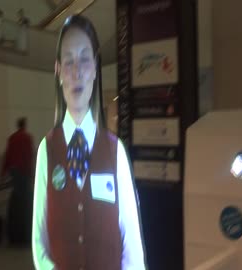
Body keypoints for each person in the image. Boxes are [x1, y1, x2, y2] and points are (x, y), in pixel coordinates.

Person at [32, 15, 147, 270]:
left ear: (95, 68)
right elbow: (39, 242)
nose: (76, 71)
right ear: (58, 71)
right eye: (69, 61)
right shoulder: (46, 151)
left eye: (84, 58)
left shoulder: (115, 151)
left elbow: (132, 245)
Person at [1, 117, 35, 245]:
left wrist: (3, 173)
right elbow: (29, 156)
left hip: (14, 172)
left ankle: (14, 230)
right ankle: (26, 230)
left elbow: (8, 155)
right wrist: (31, 173)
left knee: (16, 196)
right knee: (26, 198)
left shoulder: (12, 138)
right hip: (24, 172)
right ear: (24, 125)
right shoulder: (27, 138)